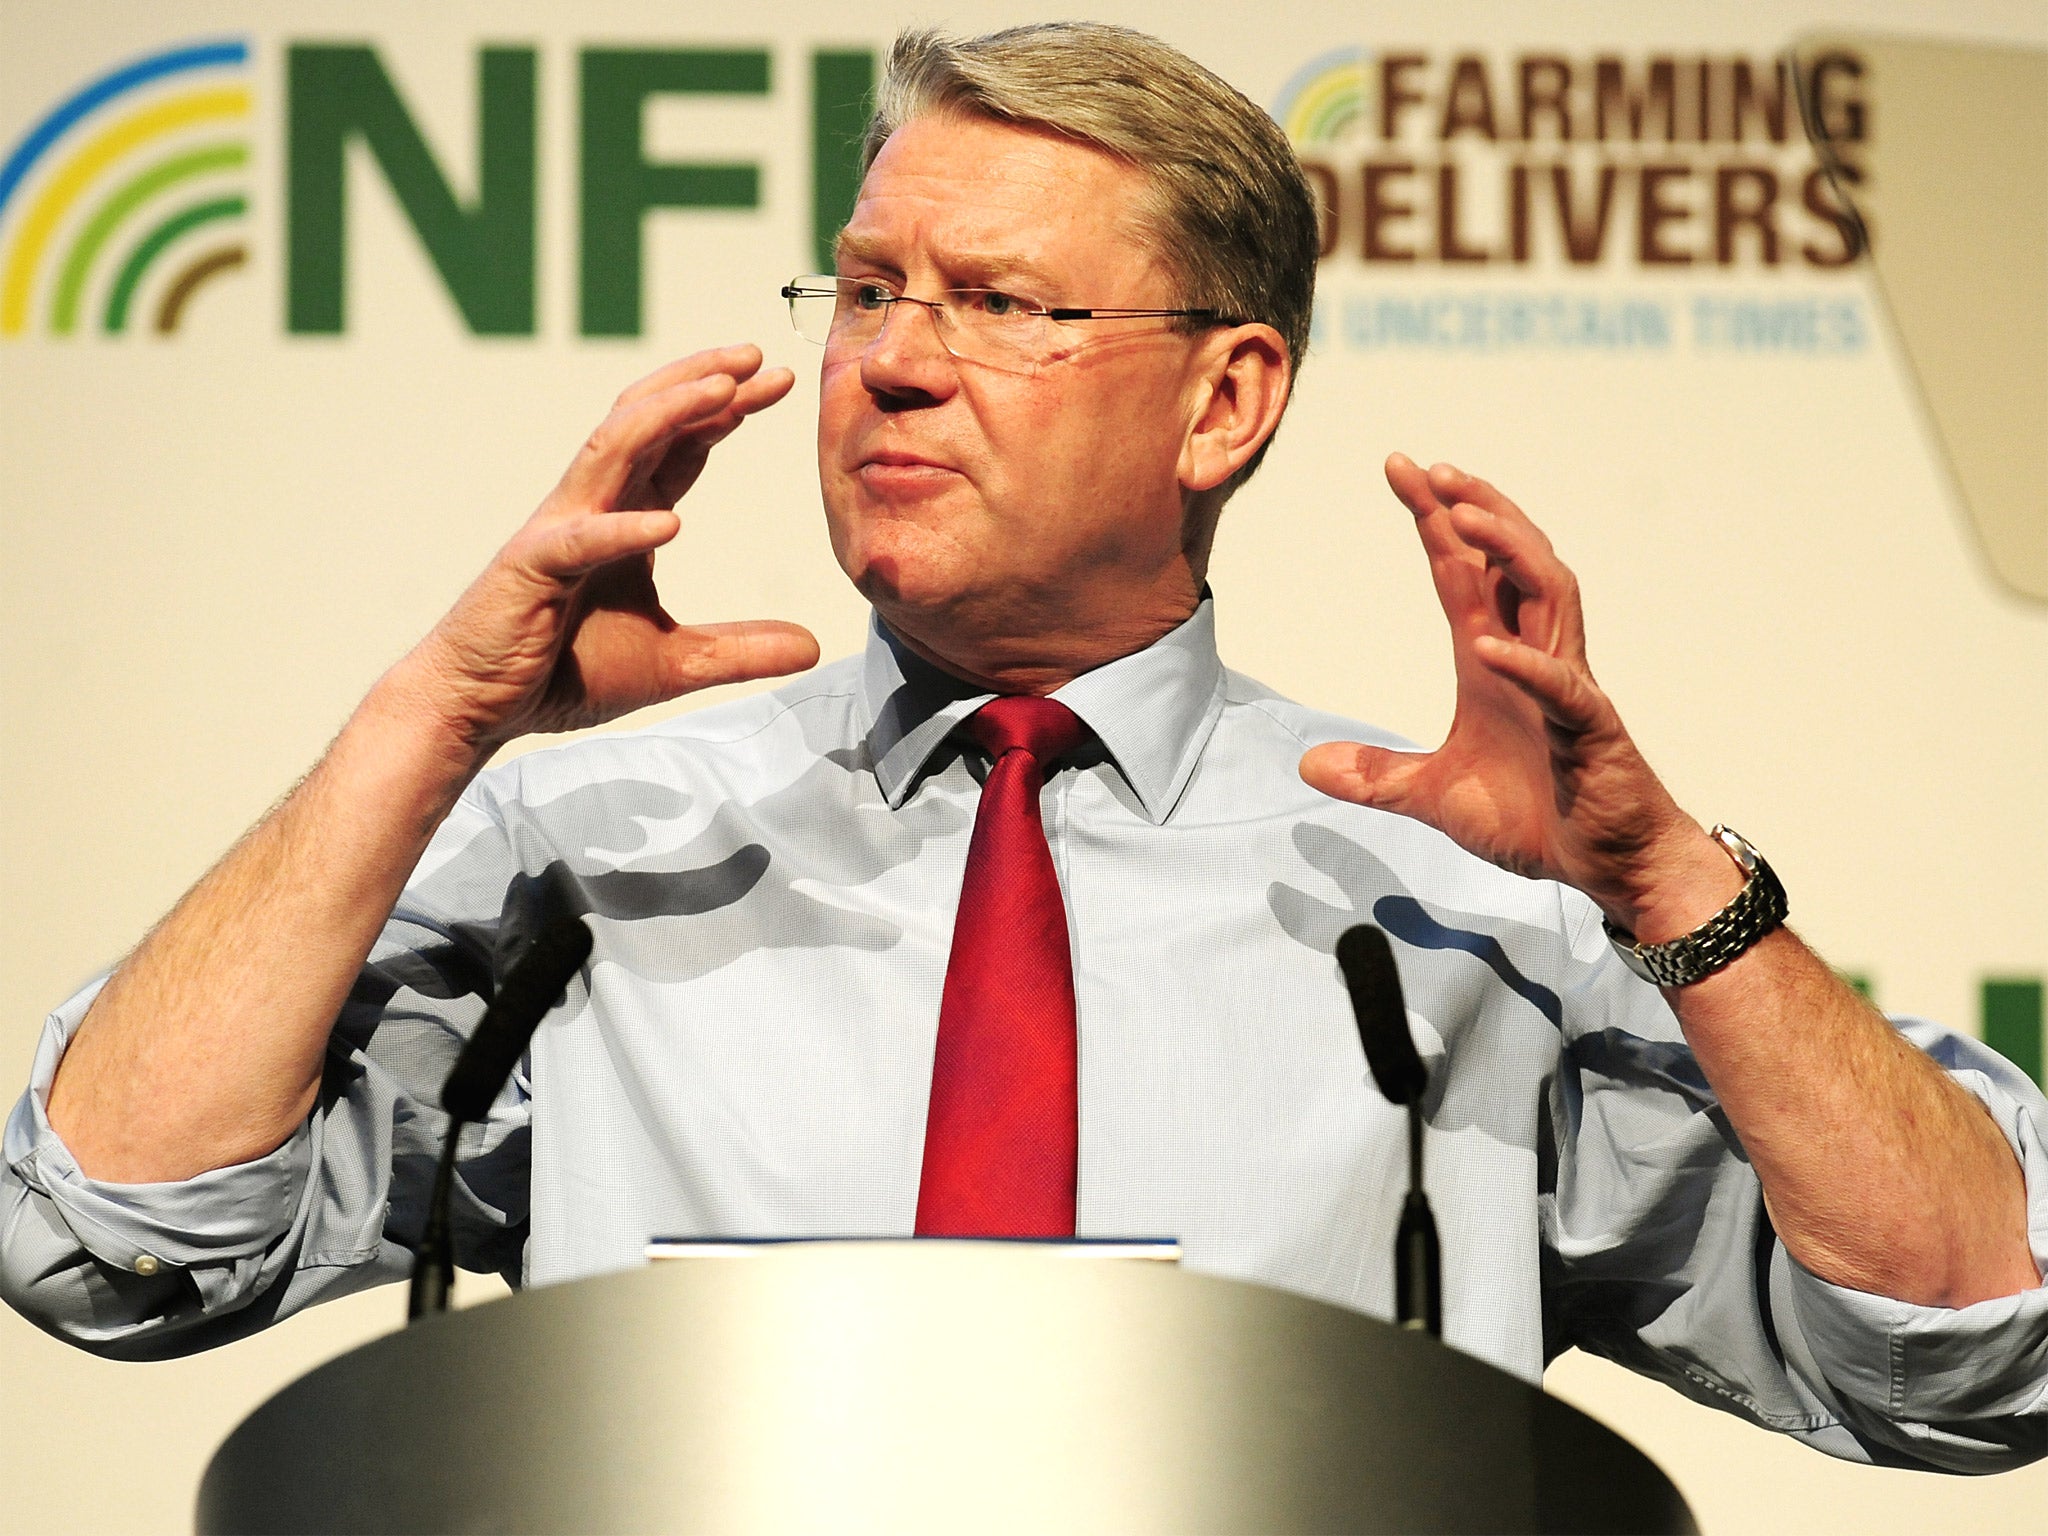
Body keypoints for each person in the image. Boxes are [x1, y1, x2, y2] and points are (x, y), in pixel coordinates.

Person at [4, 22, 2045, 1469]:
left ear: (1225, 401)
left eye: (997, 304)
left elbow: (1978, 1337)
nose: (890, 358)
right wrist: (428, 721)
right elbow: (99, 1229)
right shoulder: (591, 856)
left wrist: (1666, 888)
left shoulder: (1441, 898)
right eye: (870, 287)